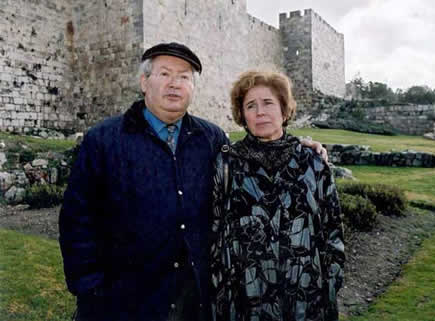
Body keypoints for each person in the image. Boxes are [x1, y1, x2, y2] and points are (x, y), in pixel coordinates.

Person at [59, 42, 327, 321]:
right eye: (164, 74)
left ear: (193, 87)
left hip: (194, 301)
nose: (175, 84)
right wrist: (90, 290)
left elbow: (255, 170)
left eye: (184, 76)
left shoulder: (212, 139)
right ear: (144, 82)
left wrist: (300, 148)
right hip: (123, 301)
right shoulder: (104, 140)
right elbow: (77, 219)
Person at [210, 71, 345, 321]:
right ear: (243, 116)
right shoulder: (227, 163)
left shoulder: (313, 163)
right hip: (246, 302)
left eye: (268, 102)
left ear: (284, 110)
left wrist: (331, 282)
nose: (260, 111)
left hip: (307, 301)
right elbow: (215, 234)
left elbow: (332, 228)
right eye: (251, 105)